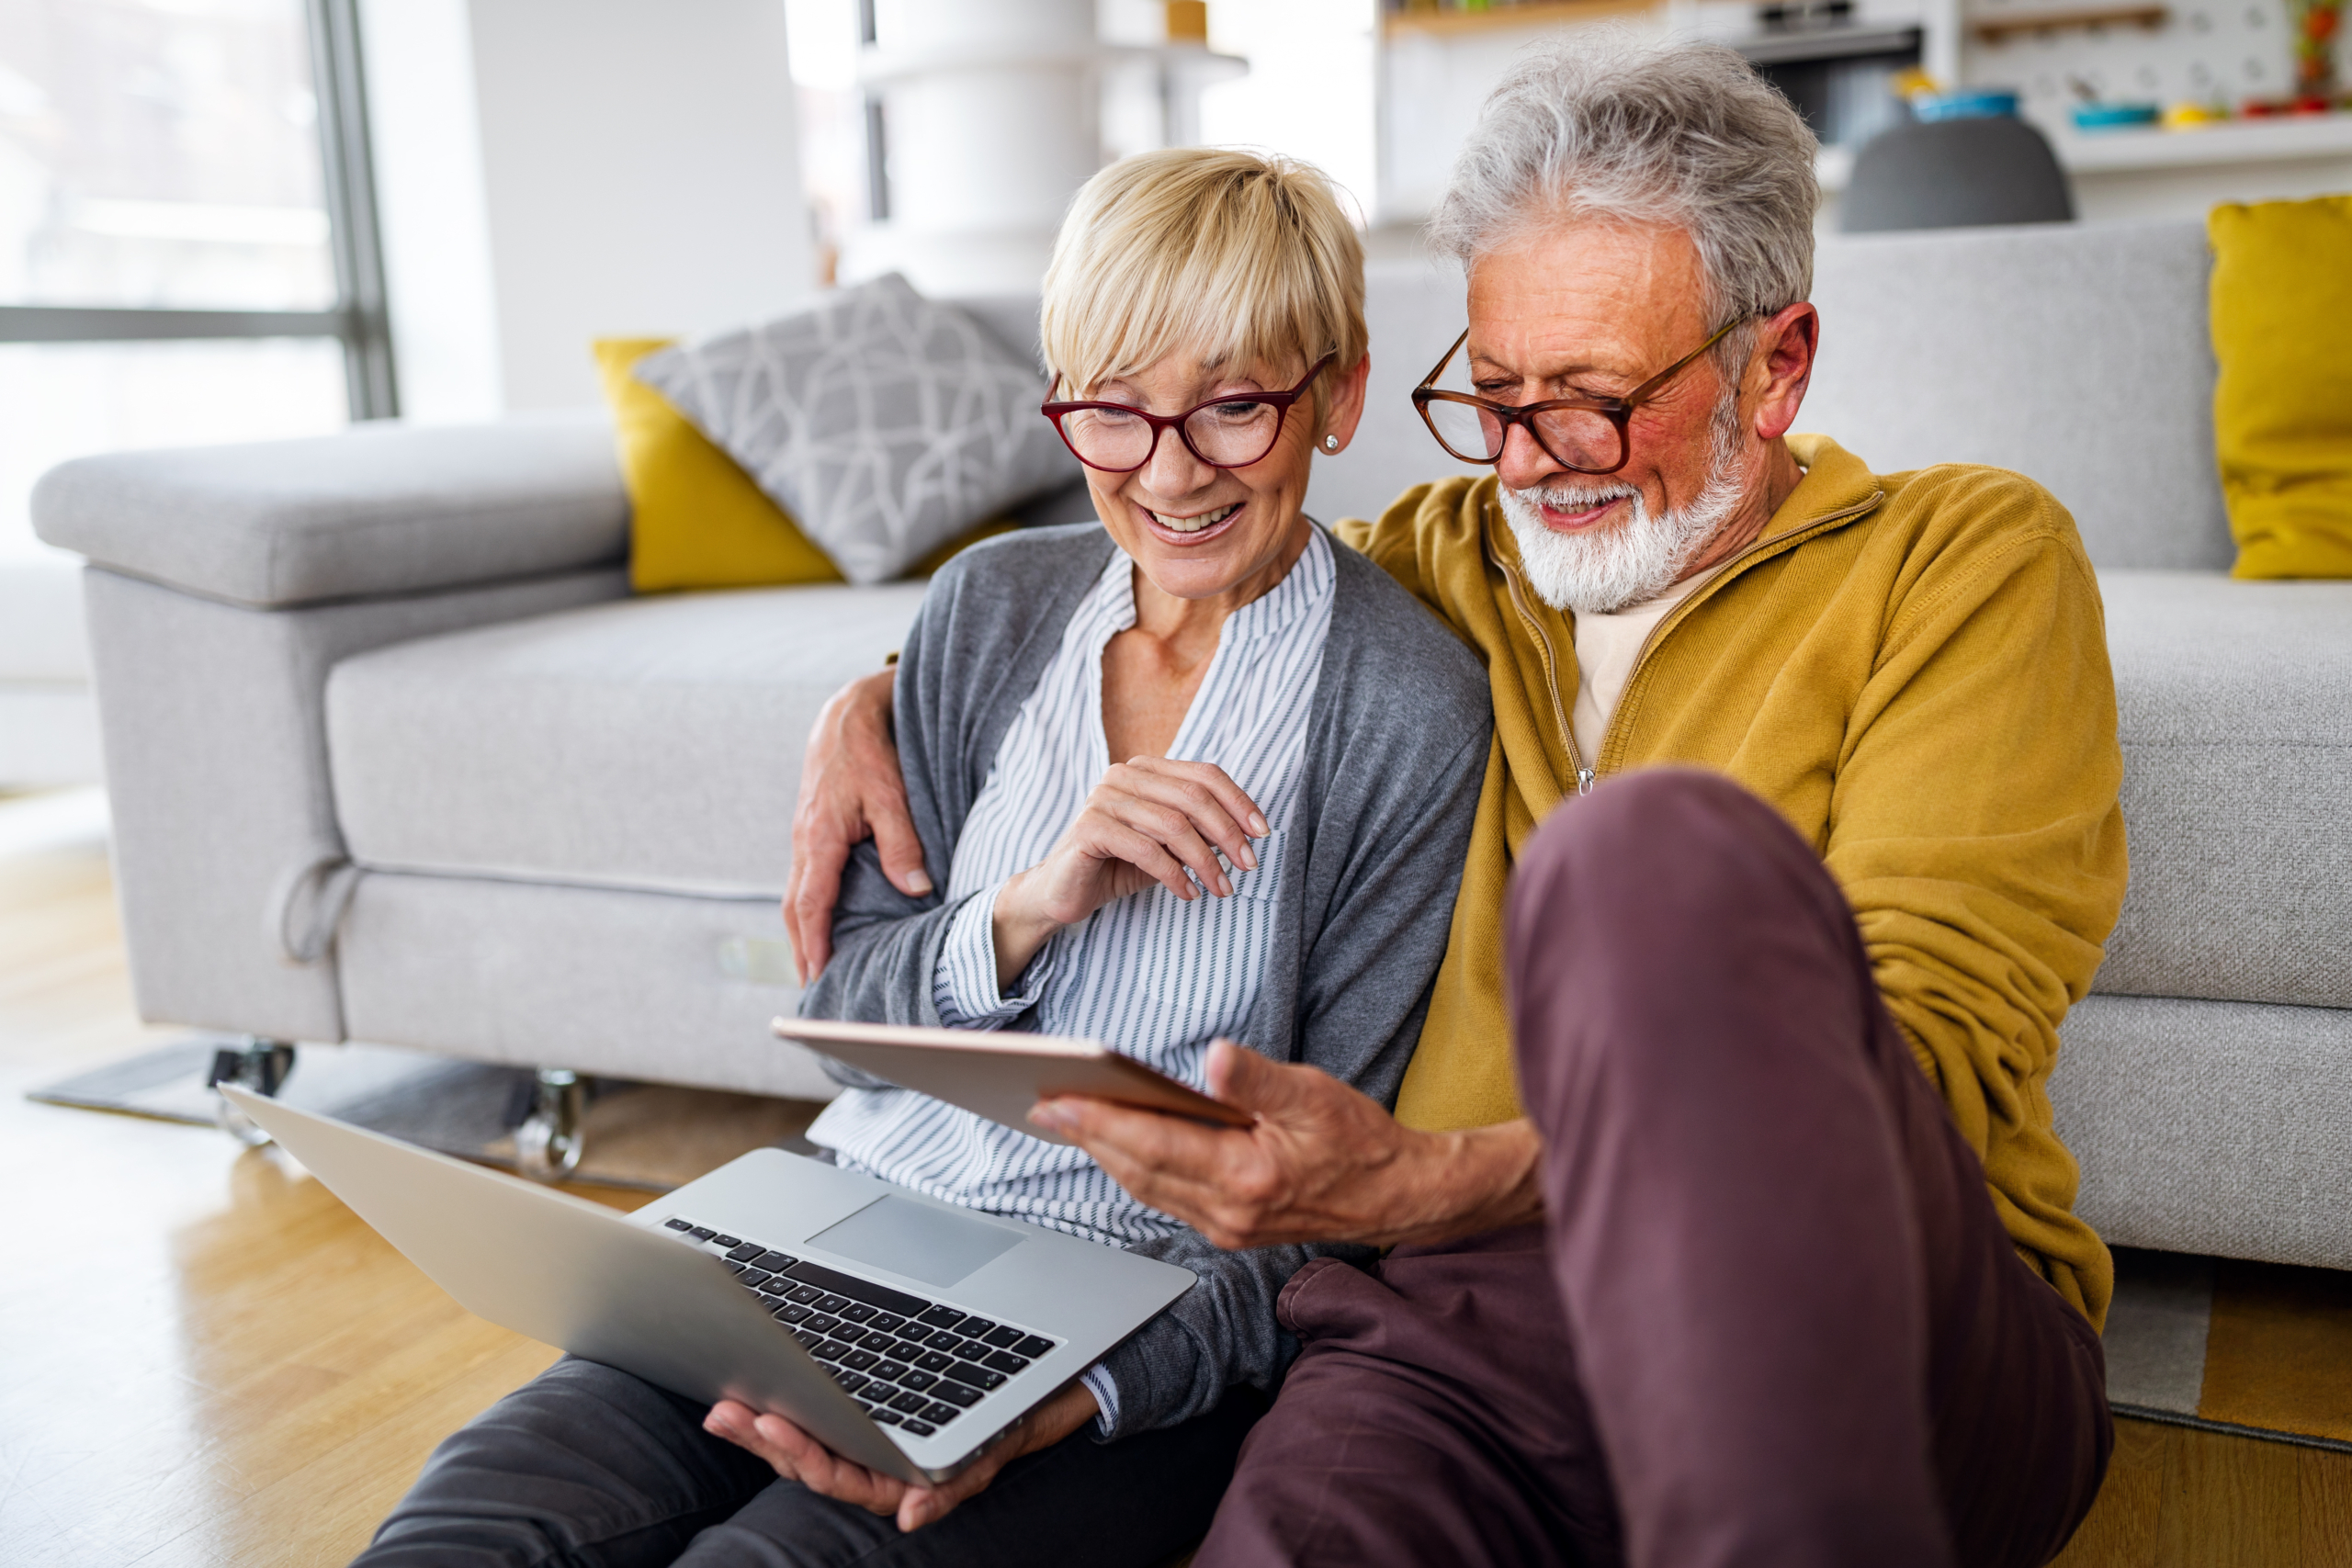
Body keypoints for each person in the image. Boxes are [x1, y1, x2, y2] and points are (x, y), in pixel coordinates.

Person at [786, 38, 2127, 1568]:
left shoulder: (1960, 562)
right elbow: (1178, 562)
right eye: (1494, 396)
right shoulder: (1442, 561)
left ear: (1778, 367)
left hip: (1878, 1308)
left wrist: (1435, 1177)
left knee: (1643, 855)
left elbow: (1925, 1060)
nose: (1534, 460)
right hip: (1461, 1339)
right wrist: (881, 693)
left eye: (1596, 400)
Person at [354, 149, 1489, 1568]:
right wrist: (1026, 906)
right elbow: (846, 1039)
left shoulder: (1404, 708)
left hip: (1121, 1327)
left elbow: (1321, 1219)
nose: (1172, 470)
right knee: (468, 1532)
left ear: (1339, 394)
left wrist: (1069, 1397)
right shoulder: (989, 612)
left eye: (1236, 406)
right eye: (1113, 413)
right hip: (830, 1232)